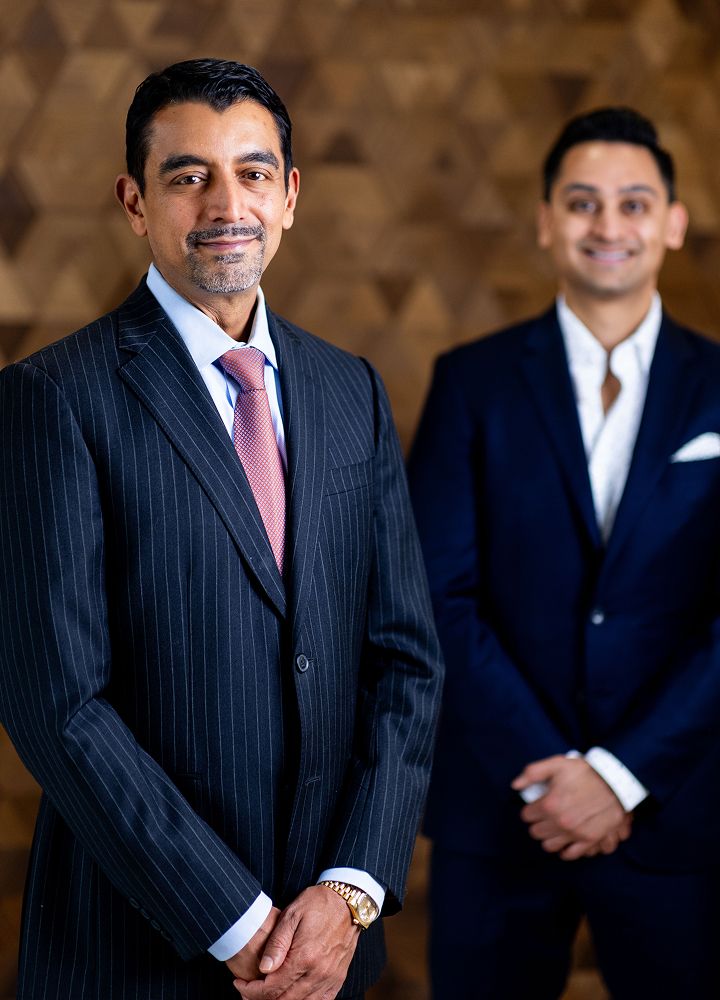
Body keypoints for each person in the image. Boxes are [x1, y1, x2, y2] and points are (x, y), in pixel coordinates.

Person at [0, 58, 443, 1000]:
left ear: (290, 196)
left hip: (331, 947)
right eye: (187, 174)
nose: (224, 202)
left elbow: (405, 660)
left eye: (251, 172)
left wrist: (350, 889)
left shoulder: (348, 389)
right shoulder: (51, 400)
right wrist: (237, 923)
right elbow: (58, 706)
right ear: (134, 201)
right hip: (134, 948)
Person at [408, 106, 720, 999]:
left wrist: (620, 777)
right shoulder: (470, 381)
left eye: (633, 203)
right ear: (547, 221)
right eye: (583, 203)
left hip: (679, 810)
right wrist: (557, 783)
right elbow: (438, 595)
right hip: (503, 813)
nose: (608, 226)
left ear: (671, 222)